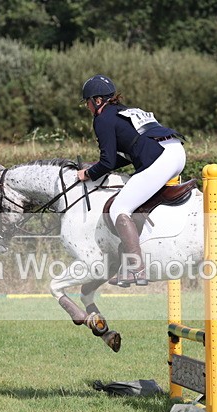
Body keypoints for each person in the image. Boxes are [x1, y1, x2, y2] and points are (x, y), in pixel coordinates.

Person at [77, 74, 186, 287]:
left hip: (161, 159)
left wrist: (88, 174)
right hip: (175, 151)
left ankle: (136, 267)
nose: (88, 107)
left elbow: (107, 162)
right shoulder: (124, 111)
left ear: (97, 101)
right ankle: (128, 265)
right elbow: (121, 157)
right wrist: (95, 167)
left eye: (88, 103)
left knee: (118, 209)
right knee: (134, 203)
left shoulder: (102, 118)